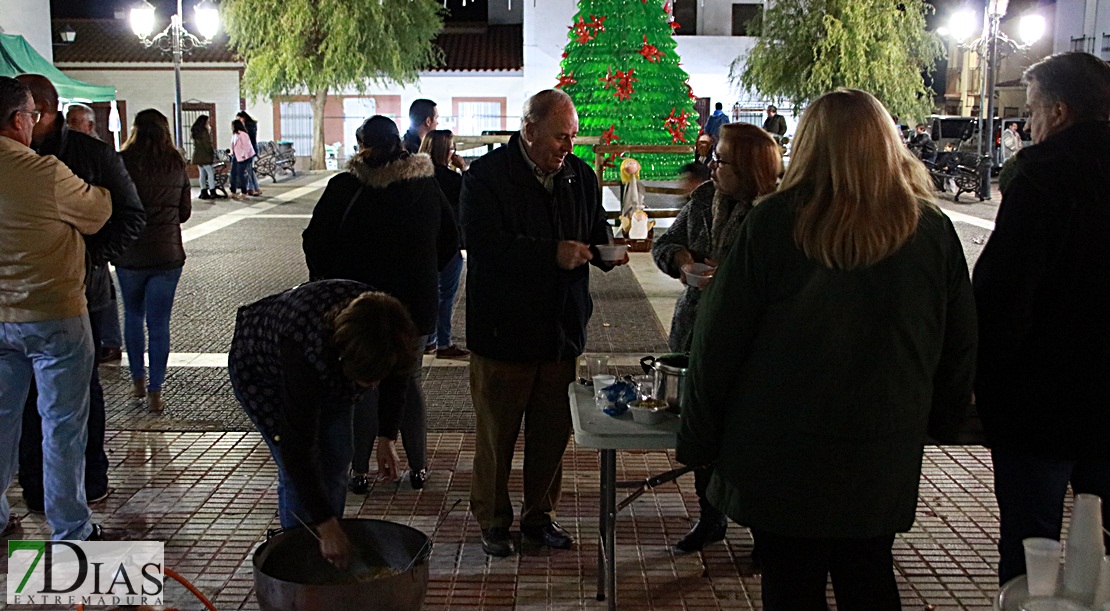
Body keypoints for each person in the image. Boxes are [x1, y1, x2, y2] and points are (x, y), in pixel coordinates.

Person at [676, 89, 976, 610]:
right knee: (869, 573)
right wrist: (942, 420)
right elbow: (959, 342)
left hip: (783, 446)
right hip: (882, 442)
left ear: (810, 146)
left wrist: (699, 438)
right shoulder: (929, 230)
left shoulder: (773, 224)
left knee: (791, 583)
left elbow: (717, 342)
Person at [460, 89, 628, 557]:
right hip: (503, 332)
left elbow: (594, 226)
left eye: (572, 137)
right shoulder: (487, 177)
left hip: (561, 331)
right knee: (497, 434)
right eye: (559, 137)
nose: (567, 148)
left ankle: (540, 518)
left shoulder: (580, 175)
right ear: (529, 131)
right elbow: (482, 243)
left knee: (552, 435)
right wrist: (549, 254)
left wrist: (608, 248)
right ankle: (494, 520)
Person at [973, 51, 1110, 586]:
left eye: (1030, 111)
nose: (1028, 125)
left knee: (1034, 547)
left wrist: (986, 384)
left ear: (1058, 111)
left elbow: (1004, 295)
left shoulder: (1043, 175)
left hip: (1043, 401)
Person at [303, 115, 457, 493]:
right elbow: (451, 240)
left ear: (361, 146)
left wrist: (329, 281)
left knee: (364, 384)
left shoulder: (345, 187)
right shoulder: (426, 186)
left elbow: (314, 240)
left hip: (359, 305)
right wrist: (424, 272)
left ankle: (359, 471)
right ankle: (418, 468)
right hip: (415, 305)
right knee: (409, 380)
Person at [14, 73, 145, 516]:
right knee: (36, 411)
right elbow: (103, 206)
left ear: (46, 112)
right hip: (35, 308)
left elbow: (127, 213)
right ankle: (48, 500)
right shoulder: (38, 167)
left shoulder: (88, 154)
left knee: (74, 403)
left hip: (76, 296)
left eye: (37, 115)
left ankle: (86, 484)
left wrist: (90, 257)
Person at [653, 123, 782, 553]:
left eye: (722, 159)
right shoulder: (704, 198)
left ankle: (766, 532)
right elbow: (664, 242)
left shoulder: (776, 212)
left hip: (754, 344)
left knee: (753, 440)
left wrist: (727, 278)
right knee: (703, 430)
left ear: (747, 165)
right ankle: (710, 518)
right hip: (695, 329)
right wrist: (681, 260)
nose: (712, 166)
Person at [228, 280, 418, 569]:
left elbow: (397, 377)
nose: (376, 385)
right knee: (299, 470)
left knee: (339, 452)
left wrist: (386, 436)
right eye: (369, 380)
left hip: (328, 364)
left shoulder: (389, 328)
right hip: (263, 373)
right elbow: (298, 449)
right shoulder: (305, 347)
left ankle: (329, 550)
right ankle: (298, 560)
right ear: (346, 362)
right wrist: (326, 526)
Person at [0, 75, 112, 541]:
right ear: (18, 119)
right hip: (55, 314)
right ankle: (70, 528)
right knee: (62, 426)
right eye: (33, 115)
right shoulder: (43, 172)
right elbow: (99, 210)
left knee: (1, 422)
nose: (35, 123)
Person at [114, 109, 192, 413]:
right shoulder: (176, 163)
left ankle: (137, 379)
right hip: (166, 255)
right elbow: (184, 212)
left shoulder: (122, 162)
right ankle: (156, 390)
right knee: (159, 323)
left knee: (133, 315)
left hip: (130, 254)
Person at [419, 129, 470, 359]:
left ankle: (429, 339)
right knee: (446, 295)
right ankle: (443, 342)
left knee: (428, 291)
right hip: (448, 245)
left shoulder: (417, 177)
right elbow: (472, 197)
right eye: (451, 148)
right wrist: (465, 169)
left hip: (423, 243)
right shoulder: (452, 180)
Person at [191, 115, 217, 200]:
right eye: (207, 121)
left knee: (202, 173)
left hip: (197, 154)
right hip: (205, 155)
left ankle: (203, 191)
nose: (208, 122)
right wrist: (211, 153)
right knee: (210, 172)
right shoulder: (204, 131)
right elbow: (207, 144)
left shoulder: (195, 131)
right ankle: (212, 191)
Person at [236, 111, 262, 196]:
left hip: (248, 150)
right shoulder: (252, 125)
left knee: (248, 169)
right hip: (253, 149)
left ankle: (251, 188)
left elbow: (247, 141)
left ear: (243, 118)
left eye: (239, 119)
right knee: (250, 169)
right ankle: (256, 187)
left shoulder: (247, 127)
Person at [229, 119, 256, 199]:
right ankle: (233, 191)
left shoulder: (243, 134)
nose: (231, 127)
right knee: (233, 173)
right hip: (236, 156)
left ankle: (244, 191)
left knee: (241, 174)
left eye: (232, 125)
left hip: (244, 157)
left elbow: (247, 146)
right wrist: (231, 152)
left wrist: (244, 155)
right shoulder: (234, 135)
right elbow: (234, 146)